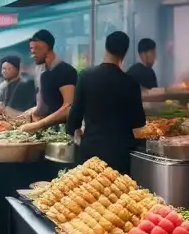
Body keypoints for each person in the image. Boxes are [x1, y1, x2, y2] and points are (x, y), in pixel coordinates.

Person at [66, 31, 146, 175]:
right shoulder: (131, 83)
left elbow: (73, 119)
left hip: (91, 152)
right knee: (117, 195)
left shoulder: (86, 76)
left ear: (106, 47)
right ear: (124, 53)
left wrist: (76, 131)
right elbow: (139, 121)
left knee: (88, 194)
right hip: (119, 154)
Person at [20, 29, 78, 133]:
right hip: (50, 132)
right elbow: (47, 106)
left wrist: (38, 125)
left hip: (65, 135)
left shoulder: (65, 71)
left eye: (37, 48)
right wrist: (33, 112)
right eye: (31, 48)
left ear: (48, 47)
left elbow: (68, 107)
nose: (33, 52)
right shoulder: (44, 73)